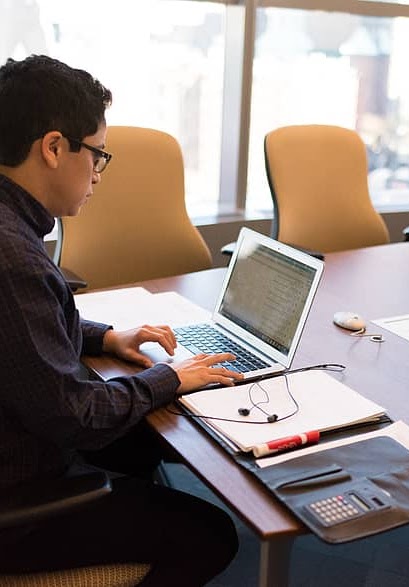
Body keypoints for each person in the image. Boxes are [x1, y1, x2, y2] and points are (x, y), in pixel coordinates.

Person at [0, 54, 243, 585]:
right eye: (98, 156)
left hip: (23, 436)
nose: (98, 175)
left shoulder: (12, 227)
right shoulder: (12, 256)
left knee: (148, 437)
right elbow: (72, 415)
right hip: (17, 500)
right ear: (54, 147)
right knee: (211, 533)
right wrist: (169, 377)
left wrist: (106, 336)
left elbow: (21, 332)